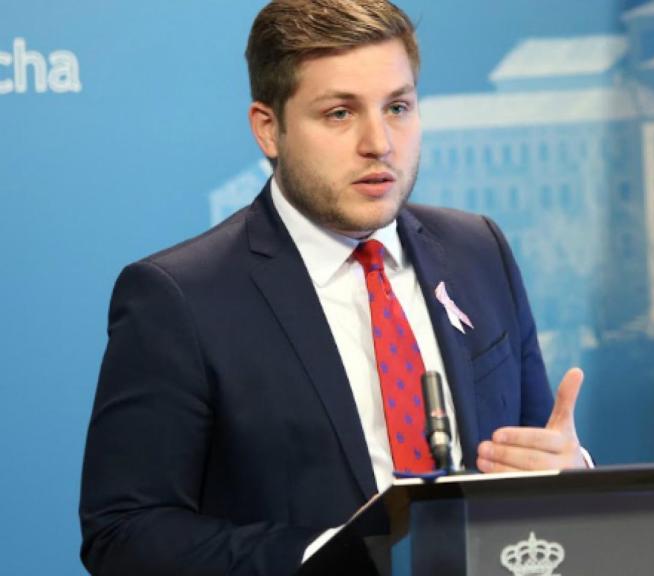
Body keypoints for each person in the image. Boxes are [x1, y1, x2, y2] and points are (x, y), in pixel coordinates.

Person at [79, 1, 588, 574]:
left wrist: (571, 478)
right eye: (340, 113)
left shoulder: (478, 250)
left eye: (398, 107)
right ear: (269, 128)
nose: (380, 143)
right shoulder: (178, 297)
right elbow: (124, 534)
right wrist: (334, 556)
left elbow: (537, 457)